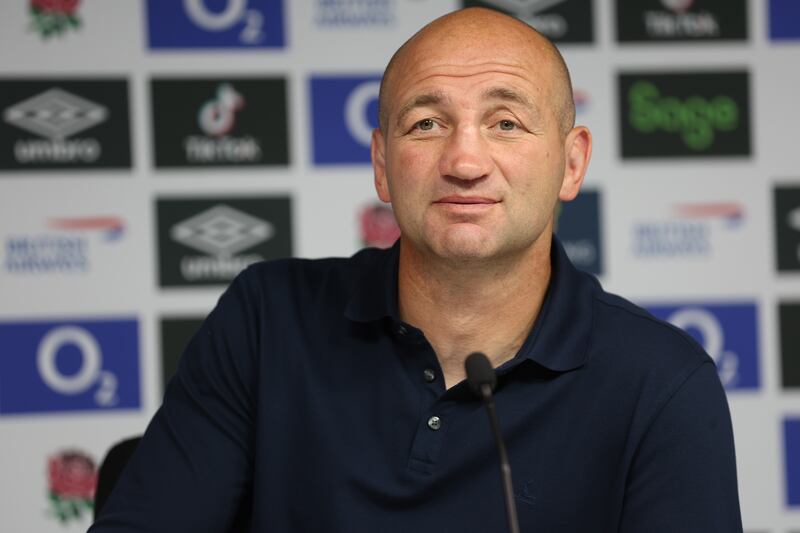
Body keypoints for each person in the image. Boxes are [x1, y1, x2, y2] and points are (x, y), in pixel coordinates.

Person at [90, 7, 742, 532]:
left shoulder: (662, 381)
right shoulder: (267, 319)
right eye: (426, 123)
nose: (464, 160)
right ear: (381, 163)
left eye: (506, 122)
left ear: (572, 163)